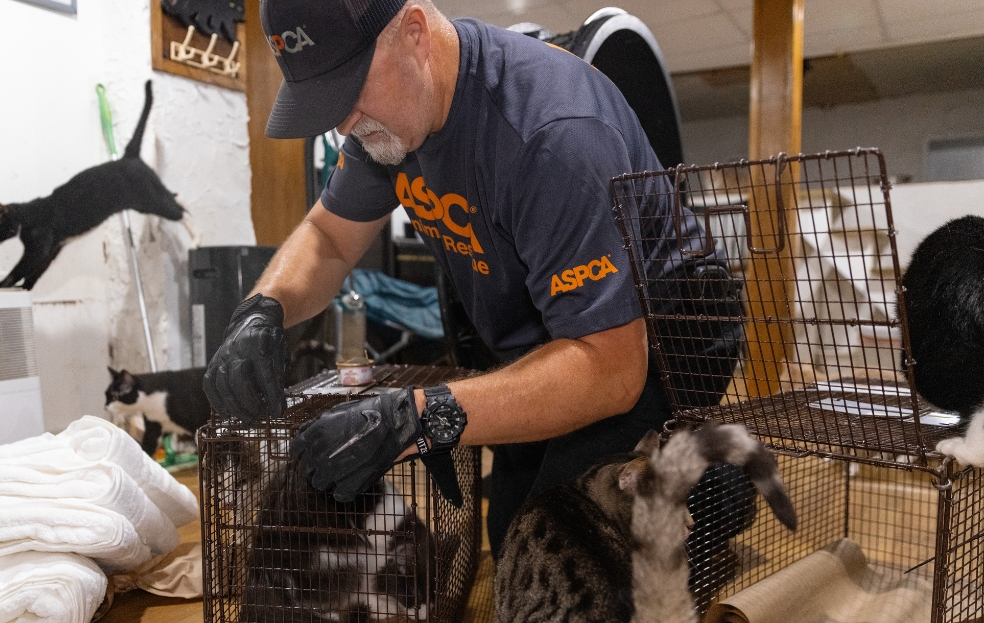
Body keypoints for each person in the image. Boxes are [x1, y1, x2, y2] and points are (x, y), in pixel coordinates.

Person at [203, 0, 742, 558]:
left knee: (554, 560)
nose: (344, 125)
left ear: (413, 31)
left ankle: (711, 492)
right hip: (548, 332)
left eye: (350, 91)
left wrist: (417, 418)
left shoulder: (553, 133)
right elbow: (329, 238)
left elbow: (611, 367)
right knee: (511, 537)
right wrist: (261, 311)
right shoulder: (384, 124)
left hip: (663, 333)